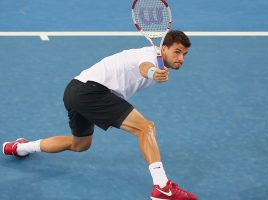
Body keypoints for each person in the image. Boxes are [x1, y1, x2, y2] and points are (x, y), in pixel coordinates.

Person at [3, 30, 197, 200]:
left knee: (80, 145)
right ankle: (162, 187)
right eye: (177, 52)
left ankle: (19, 147)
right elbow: (144, 67)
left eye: (185, 54)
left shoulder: (153, 55)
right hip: (92, 92)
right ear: (163, 49)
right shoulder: (149, 56)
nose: (181, 58)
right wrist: (154, 72)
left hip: (74, 90)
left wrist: (103, 112)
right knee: (146, 128)